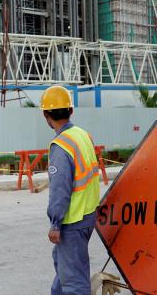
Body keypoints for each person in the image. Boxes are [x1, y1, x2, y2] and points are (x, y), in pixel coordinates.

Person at [40, 86, 100, 295]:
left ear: (46, 115)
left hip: (72, 222)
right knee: (64, 267)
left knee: (74, 282)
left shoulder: (61, 146)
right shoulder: (83, 135)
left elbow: (60, 190)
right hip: (88, 215)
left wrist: (55, 223)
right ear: (71, 111)